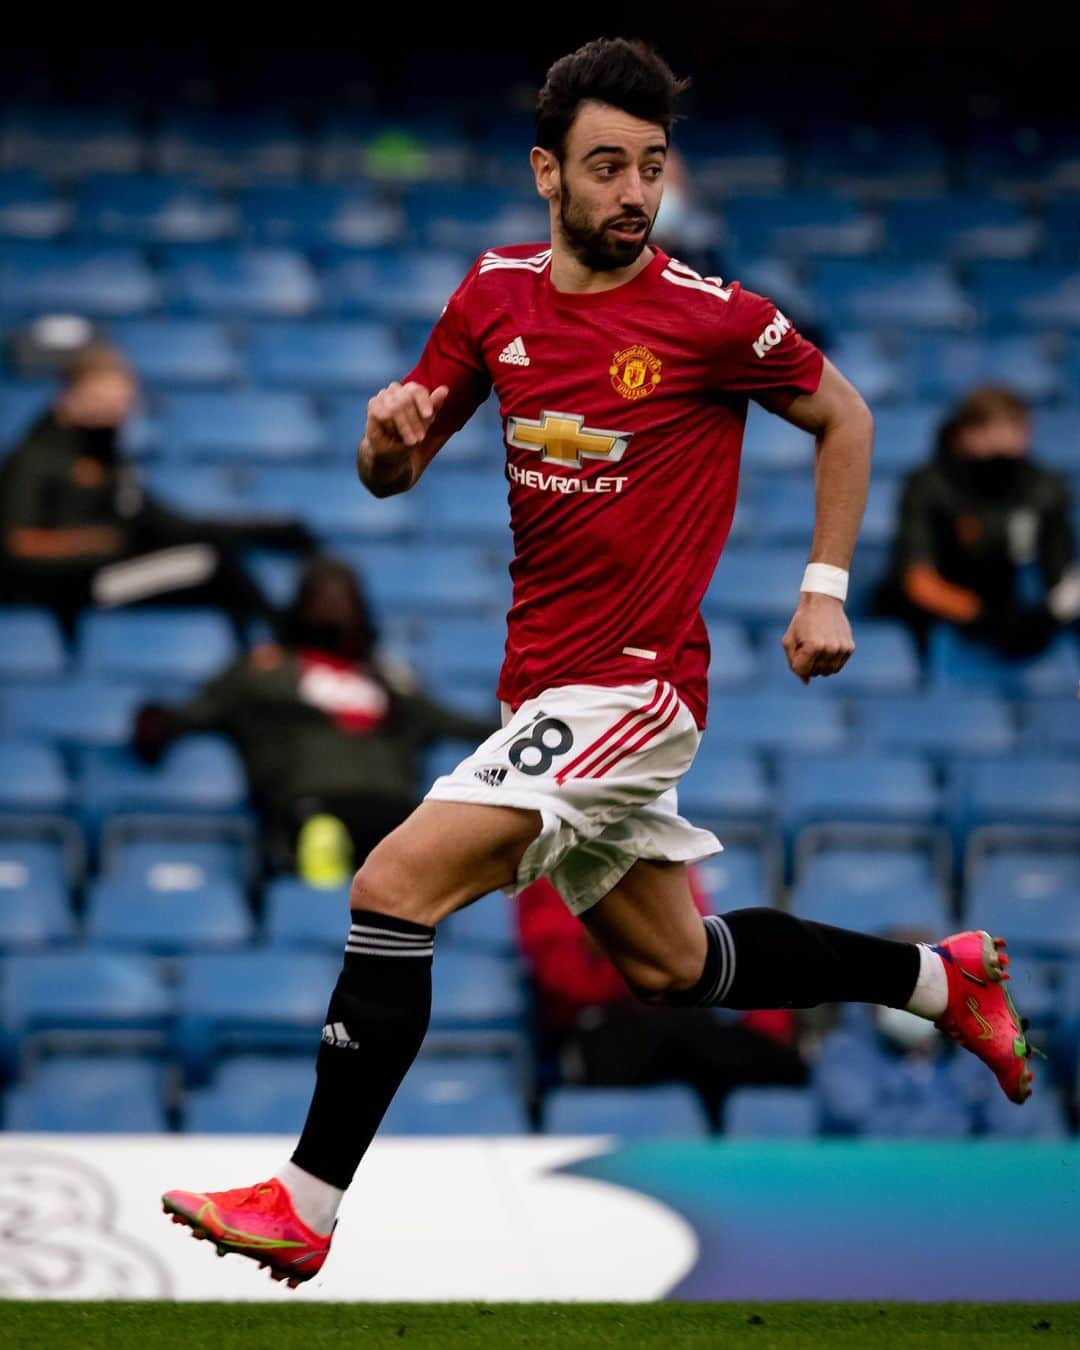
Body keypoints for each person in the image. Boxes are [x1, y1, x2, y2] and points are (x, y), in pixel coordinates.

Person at [162, 38, 1037, 1285]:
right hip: (548, 690)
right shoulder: (492, 295)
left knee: (391, 885)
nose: (636, 193)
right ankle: (938, 981)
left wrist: (824, 589)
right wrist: (381, 439)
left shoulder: (710, 317)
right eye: (609, 167)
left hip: (635, 687)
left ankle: (305, 1199)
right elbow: (395, 467)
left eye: (653, 167)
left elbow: (847, 413)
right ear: (547, 173)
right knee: (674, 966)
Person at [133, 556, 496, 879]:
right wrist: (155, 722)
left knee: (421, 843)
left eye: (344, 596)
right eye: (323, 594)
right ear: (300, 604)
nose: (334, 604)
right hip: (309, 806)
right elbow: (190, 714)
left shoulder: (389, 681)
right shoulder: (264, 671)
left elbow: (457, 725)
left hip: (393, 813)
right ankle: (322, 901)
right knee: (323, 837)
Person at [0, 342, 313, 639]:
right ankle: (283, 648)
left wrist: (265, 532)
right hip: (74, 588)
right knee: (213, 564)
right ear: (68, 397)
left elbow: (171, 525)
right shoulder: (34, 459)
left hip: (113, 575)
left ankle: (277, 646)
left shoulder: (110, 461)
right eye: (101, 402)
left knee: (214, 564)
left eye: (121, 405)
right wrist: (97, 543)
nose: (113, 415)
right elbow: (17, 544)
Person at [518, 873, 806, 1128]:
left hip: (678, 1015)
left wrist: (618, 944)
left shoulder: (662, 860)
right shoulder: (550, 872)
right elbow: (563, 980)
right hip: (598, 1027)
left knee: (696, 1032)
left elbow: (693, 956)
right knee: (687, 1035)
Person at [877, 384, 1080, 657]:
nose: (999, 446)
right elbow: (917, 579)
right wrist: (984, 615)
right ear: (962, 436)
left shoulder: (1044, 489)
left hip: (1021, 614)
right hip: (943, 623)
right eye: (986, 434)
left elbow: (1063, 573)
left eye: (1011, 433)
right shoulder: (930, 486)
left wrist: (1048, 616)